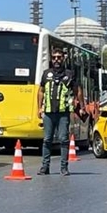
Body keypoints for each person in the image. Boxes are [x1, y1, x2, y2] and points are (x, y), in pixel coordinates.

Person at [37, 46, 83, 176]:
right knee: (47, 139)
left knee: (63, 140)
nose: (56, 60)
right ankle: (45, 167)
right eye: (54, 58)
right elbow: (41, 91)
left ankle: (64, 167)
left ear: (63, 58)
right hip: (48, 112)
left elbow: (77, 90)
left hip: (63, 113)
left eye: (59, 57)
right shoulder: (46, 74)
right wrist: (39, 108)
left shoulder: (69, 74)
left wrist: (79, 104)